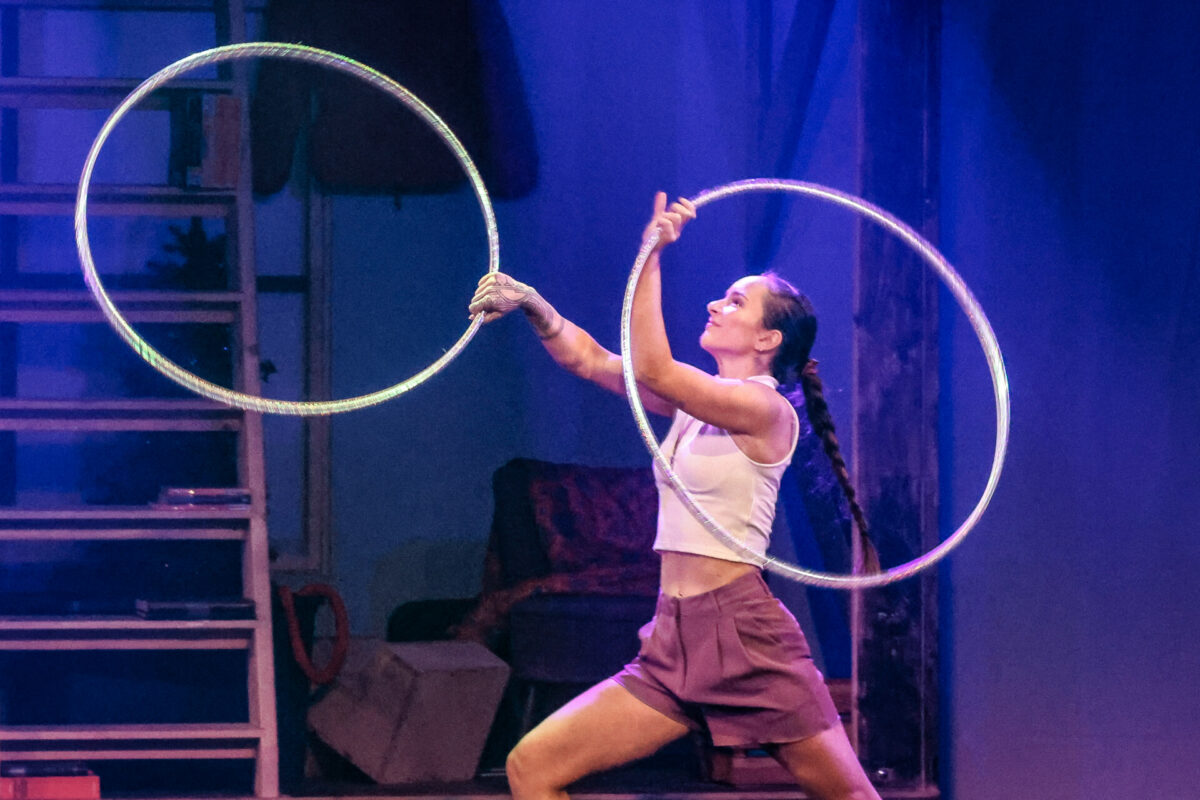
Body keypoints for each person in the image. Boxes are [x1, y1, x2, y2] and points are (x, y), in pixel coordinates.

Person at [469, 193, 881, 800]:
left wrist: (652, 255)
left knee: (852, 797)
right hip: (673, 637)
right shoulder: (697, 404)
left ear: (768, 339)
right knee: (532, 768)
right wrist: (534, 305)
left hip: (744, 636)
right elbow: (591, 361)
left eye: (735, 301)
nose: (716, 303)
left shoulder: (765, 410)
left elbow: (655, 369)